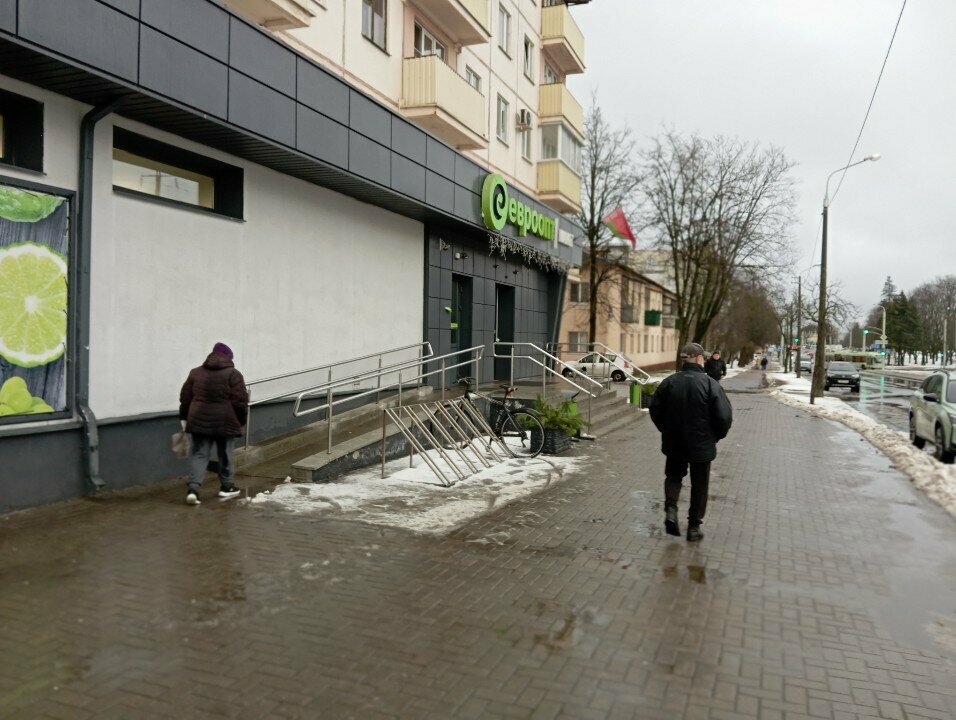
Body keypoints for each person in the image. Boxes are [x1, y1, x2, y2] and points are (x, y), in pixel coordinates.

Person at [649, 343, 733, 541]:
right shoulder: (711, 384)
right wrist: (715, 437)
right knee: (699, 486)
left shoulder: (669, 382)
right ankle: (694, 527)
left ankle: (671, 509)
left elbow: (655, 409)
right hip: (702, 445)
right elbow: (724, 417)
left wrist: (666, 430)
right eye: (703, 357)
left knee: (673, 477)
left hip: (674, 442)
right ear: (698, 359)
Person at [179, 342, 248, 505]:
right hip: (225, 421)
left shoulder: (195, 372)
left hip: (199, 420)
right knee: (225, 454)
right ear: (228, 358)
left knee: (199, 454)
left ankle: (193, 489)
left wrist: (184, 418)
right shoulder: (233, 374)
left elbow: (185, 398)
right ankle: (226, 487)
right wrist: (241, 421)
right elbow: (240, 401)